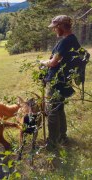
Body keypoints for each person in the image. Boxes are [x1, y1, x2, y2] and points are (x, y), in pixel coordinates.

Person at [40, 15, 81, 150]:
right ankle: (62, 136)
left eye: (55, 28)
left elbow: (53, 62)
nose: (54, 30)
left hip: (57, 81)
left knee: (52, 111)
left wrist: (42, 63)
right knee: (60, 109)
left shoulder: (65, 42)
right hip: (64, 80)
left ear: (61, 27)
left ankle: (52, 143)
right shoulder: (73, 40)